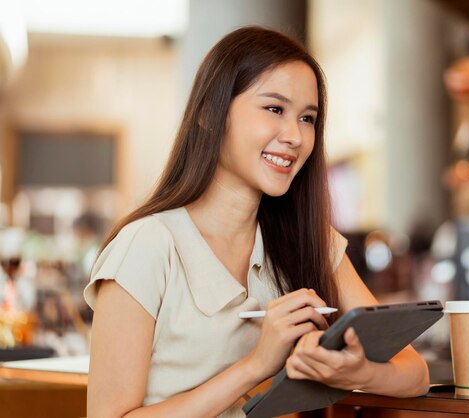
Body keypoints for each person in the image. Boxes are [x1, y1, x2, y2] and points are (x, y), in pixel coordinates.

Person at [84, 26, 430, 418]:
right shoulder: (146, 246)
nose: (295, 136)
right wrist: (255, 365)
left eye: (307, 118)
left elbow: (415, 373)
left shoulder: (309, 240)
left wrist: (358, 370)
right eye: (274, 109)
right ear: (207, 114)